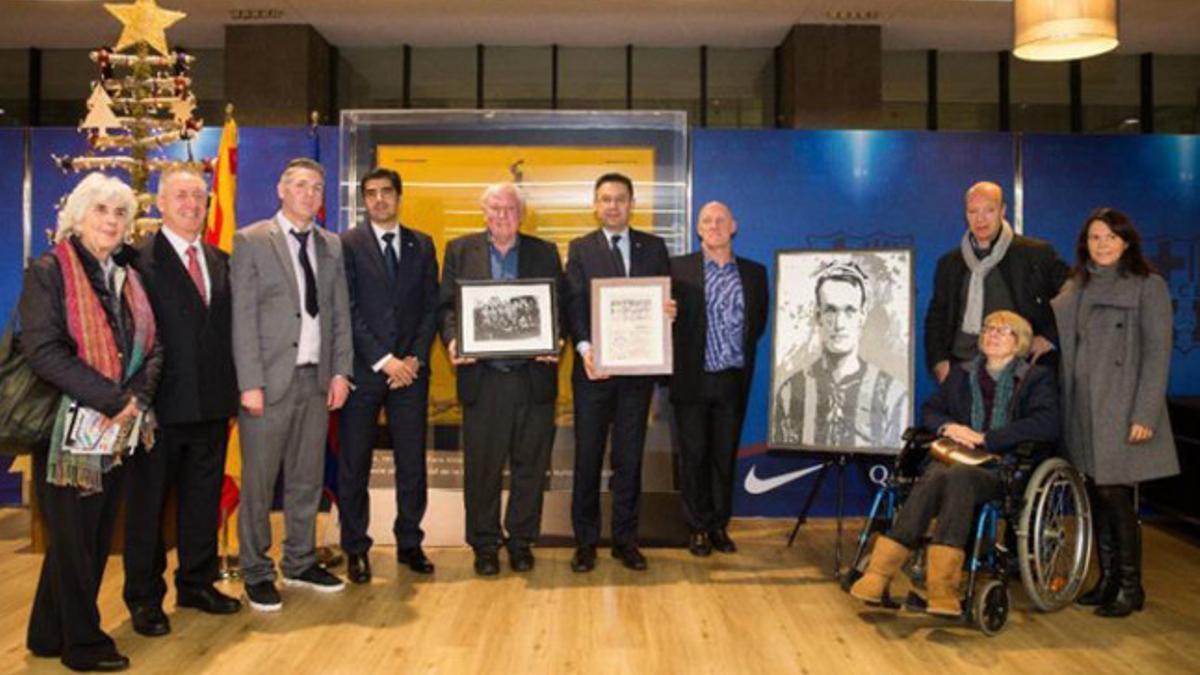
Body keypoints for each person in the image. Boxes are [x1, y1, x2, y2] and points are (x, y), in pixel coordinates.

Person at [20, 172, 162, 671]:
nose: (112, 220)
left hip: (118, 424)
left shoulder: (126, 276)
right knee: (79, 539)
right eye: (101, 210)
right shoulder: (49, 271)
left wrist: (136, 399)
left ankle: (46, 632)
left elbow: (151, 345)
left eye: (120, 212)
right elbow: (43, 350)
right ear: (78, 217)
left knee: (89, 535)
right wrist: (111, 399)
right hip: (68, 429)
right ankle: (82, 645)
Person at [850, 310, 1059, 617]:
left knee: (953, 476)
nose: (993, 334)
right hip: (954, 460)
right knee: (940, 474)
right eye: (988, 329)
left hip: (1001, 467)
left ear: (1021, 343)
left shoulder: (1035, 379)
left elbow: (1046, 423)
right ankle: (894, 577)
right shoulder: (963, 374)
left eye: (1004, 331)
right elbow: (932, 410)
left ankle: (922, 583)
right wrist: (950, 428)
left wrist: (988, 438)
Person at [122, 167, 240, 638]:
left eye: (199, 196)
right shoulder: (137, 262)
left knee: (201, 502)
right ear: (161, 203)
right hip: (158, 408)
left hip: (211, 405)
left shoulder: (220, 259)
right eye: (182, 196)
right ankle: (145, 598)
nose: (192, 204)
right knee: (148, 508)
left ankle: (197, 583)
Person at [231, 158, 353, 611]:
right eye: (300, 185)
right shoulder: (251, 240)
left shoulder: (331, 245)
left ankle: (300, 561)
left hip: (316, 380)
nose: (309, 193)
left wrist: (340, 372)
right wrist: (249, 382)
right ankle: (257, 571)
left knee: (307, 478)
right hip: (267, 383)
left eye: (317, 187)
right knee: (260, 484)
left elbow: (338, 313)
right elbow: (242, 318)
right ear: (282, 190)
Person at [1052, 208, 1179, 618]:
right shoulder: (1076, 286)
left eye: (1110, 237)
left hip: (1122, 405)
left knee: (1116, 493)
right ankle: (1106, 580)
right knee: (1093, 492)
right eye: (1094, 238)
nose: (1102, 245)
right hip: (1083, 404)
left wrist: (1145, 414)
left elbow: (1158, 354)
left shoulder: (1147, 285)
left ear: (1126, 241)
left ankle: (1130, 585)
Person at [438, 183, 565, 576]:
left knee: (531, 466)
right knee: (483, 468)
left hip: (532, 376)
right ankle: (485, 544)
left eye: (510, 209)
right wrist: (454, 339)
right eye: (495, 208)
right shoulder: (460, 250)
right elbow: (446, 307)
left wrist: (557, 338)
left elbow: (561, 305)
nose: (503, 215)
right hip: (484, 378)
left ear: (521, 214)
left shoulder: (544, 253)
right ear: (484, 213)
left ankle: (522, 541)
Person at [565, 172, 672, 572]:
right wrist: (584, 348)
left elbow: (664, 298)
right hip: (594, 371)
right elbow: (573, 304)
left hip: (637, 375)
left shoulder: (654, 247)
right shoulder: (580, 248)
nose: (613, 206)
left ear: (632, 204)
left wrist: (668, 312)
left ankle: (626, 540)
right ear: (595, 205)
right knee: (588, 457)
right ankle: (585, 542)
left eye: (620, 199)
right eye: (606, 199)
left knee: (629, 458)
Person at [338, 168, 439, 583]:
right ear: (364, 200)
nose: (379, 200)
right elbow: (347, 308)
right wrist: (384, 359)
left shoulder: (422, 244)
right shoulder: (347, 244)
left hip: (410, 375)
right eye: (371, 193)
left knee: (412, 462)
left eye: (386, 192)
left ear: (399, 196)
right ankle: (356, 548)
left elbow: (431, 306)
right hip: (365, 372)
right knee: (355, 463)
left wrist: (413, 358)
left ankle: (410, 542)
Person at [669, 201, 768, 556]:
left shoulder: (755, 274)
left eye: (720, 220)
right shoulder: (676, 270)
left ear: (734, 226)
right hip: (691, 380)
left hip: (731, 380)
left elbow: (756, 325)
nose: (714, 226)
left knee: (723, 458)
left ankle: (718, 527)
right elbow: (666, 322)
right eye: (707, 221)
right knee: (693, 456)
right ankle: (696, 528)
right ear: (698, 229)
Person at [925, 181, 1069, 383]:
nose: (980, 219)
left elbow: (1074, 294)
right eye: (973, 211)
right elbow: (937, 316)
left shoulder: (1036, 254)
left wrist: (1050, 337)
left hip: (1021, 368)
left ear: (1003, 211)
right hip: (963, 369)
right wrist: (939, 362)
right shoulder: (950, 263)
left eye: (989, 210)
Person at [772, 261, 907, 449]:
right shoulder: (789, 392)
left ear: (863, 315)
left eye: (849, 310)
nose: (839, 323)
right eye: (830, 310)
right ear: (818, 315)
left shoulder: (893, 394)